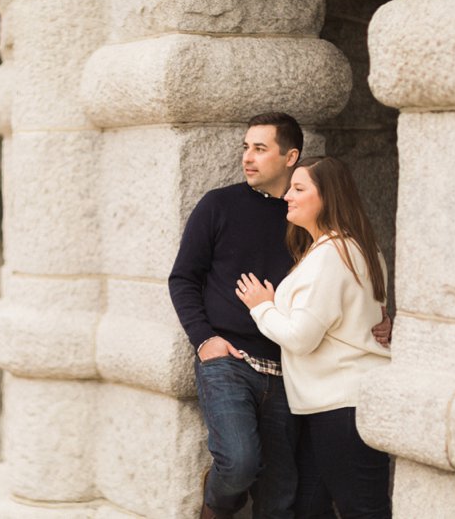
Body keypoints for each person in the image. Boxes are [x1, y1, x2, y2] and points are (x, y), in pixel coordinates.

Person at [168, 113, 391, 519]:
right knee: (238, 465)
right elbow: (183, 278)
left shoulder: (306, 224)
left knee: (284, 495)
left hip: (290, 372)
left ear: (291, 157)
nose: (247, 158)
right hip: (229, 360)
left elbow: (338, 290)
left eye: (260, 148)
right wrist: (205, 340)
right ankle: (217, 506)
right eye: (245, 147)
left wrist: (374, 317)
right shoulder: (219, 205)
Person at [235, 155, 393, 518]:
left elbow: (301, 337)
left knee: (363, 510)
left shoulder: (331, 255)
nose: (288, 195)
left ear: (328, 196)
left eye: (299, 188)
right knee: (309, 507)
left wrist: (262, 306)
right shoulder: (355, 248)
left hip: (341, 406)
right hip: (332, 405)